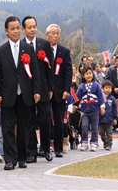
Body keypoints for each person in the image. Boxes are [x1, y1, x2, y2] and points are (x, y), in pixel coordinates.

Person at [0, 16, 41, 170]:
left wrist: (36, 91)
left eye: (17, 28)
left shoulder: (28, 49)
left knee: (24, 128)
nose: (15, 31)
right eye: (12, 28)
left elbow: (35, 72)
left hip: (25, 95)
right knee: (7, 128)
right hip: (8, 96)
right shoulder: (1, 51)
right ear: (7, 31)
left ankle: (22, 158)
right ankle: (9, 159)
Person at [22, 16, 53, 163]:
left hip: (43, 88)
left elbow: (50, 68)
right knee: (28, 120)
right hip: (27, 90)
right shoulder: (20, 46)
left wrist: (50, 88)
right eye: (29, 27)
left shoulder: (44, 44)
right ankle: (31, 151)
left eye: (34, 26)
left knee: (45, 119)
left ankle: (46, 149)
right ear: (24, 29)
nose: (32, 29)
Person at [45, 24, 72, 158]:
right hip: (45, 90)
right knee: (45, 119)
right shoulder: (41, 50)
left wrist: (67, 89)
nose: (54, 36)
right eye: (52, 33)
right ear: (47, 35)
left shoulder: (64, 51)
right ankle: (45, 147)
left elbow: (68, 71)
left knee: (59, 121)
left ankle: (58, 148)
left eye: (57, 33)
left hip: (60, 91)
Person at [76, 67, 105, 152]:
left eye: (90, 73)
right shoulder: (81, 86)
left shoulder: (97, 85)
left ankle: (94, 143)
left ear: (93, 74)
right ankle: (84, 142)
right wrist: (75, 105)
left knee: (94, 128)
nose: (88, 75)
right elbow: (77, 98)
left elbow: (100, 97)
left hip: (95, 110)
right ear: (83, 76)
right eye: (86, 74)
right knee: (84, 126)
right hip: (84, 111)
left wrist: (102, 107)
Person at [99, 80, 117, 151]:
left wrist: (115, 118)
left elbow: (115, 109)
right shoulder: (100, 98)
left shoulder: (112, 99)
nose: (108, 89)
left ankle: (109, 144)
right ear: (102, 89)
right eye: (106, 88)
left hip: (109, 120)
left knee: (109, 133)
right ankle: (105, 142)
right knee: (101, 133)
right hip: (101, 120)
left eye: (110, 88)